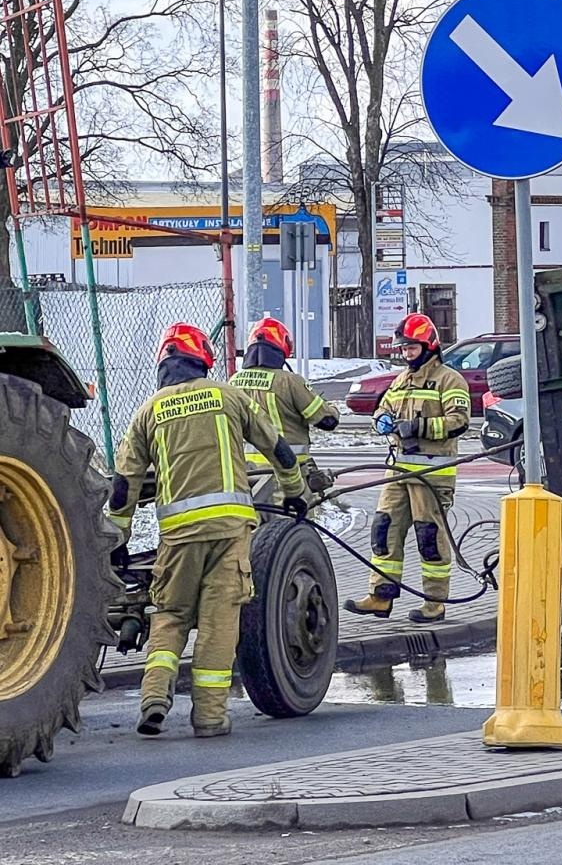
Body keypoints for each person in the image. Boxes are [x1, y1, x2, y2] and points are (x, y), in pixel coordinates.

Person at [108, 323, 306, 739]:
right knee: (219, 623)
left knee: (170, 617)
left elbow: (125, 481)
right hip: (230, 531)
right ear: (202, 361)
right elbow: (277, 448)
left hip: (178, 538)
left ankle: (154, 700)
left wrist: (117, 538)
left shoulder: (150, 410)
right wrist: (294, 492)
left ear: (164, 363)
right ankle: (210, 718)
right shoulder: (228, 396)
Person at [343, 313, 472, 624]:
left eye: (411, 348)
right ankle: (380, 597)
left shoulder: (449, 380)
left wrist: (417, 426)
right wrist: (381, 421)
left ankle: (435, 603)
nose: (405, 354)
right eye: (402, 349)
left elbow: (459, 422)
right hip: (398, 472)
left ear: (428, 346)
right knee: (383, 531)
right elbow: (383, 409)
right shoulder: (401, 380)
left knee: (429, 538)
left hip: (431, 475)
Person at [231, 316, 340, 498]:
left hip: (248, 475)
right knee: (296, 525)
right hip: (290, 473)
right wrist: (331, 408)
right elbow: (327, 421)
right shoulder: (289, 382)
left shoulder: (233, 382)